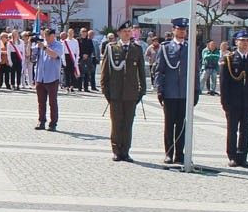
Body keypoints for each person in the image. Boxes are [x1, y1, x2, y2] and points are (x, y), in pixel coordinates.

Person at [153, 17, 199, 165]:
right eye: (179, 29)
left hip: (185, 93)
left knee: (182, 125)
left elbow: (195, 71)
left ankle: (180, 154)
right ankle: (169, 153)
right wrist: (159, 89)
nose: (182, 32)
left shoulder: (191, 47)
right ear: (173, 30)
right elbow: (159, 70)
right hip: (170, 92)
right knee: (169, 124)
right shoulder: (165, 48)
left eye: (184, 30)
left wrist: (196, 90)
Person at [100, 22, 146, 161]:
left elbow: (141, 72)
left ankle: (125, 151)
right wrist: (106, 92)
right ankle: (116, 150)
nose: (127, 33)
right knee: (116, 123)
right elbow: (104, 73)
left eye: (129, 31)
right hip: (115, 92)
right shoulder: (111, 48)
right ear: (119, 33)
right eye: (124, 31)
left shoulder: (136, 49)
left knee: (128, 123)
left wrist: (141, 90)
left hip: (131, 93)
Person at [219, 30, 248, 168]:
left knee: (245, 130)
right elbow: (224, 83)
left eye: (246, 40)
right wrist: (225, 102)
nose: (244, 43)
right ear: (236, 42)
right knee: (232, 130)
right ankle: (232, 156)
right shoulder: (229, 59)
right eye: (242, 40)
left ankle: (242, 156)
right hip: (233, 101)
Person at [34, 28, 64, 131]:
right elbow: (32, 56)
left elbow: (54, 55)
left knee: (52, 102)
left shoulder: (58, 45)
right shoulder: (42, 44)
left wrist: (45, 48)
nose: (45, 38)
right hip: (40, 77)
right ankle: (41, 121)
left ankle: (53, 123)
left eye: (47, 36)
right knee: (41, 102)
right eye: (44, 36)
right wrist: (31, 43)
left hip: (52, 78)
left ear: (53, 36)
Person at [78, 27, 96, 91]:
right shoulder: (78, 40)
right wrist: (82, 55)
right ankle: (79, 87)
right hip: (80, 58)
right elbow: (77, 49)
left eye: (85, 31)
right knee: (80, 73)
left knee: (87, 73)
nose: (84, 33)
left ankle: (86, 88)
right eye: (83, 31)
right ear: (80, 32)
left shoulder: (89, 40)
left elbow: (91, 49)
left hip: (88, 58)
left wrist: (87, 55)